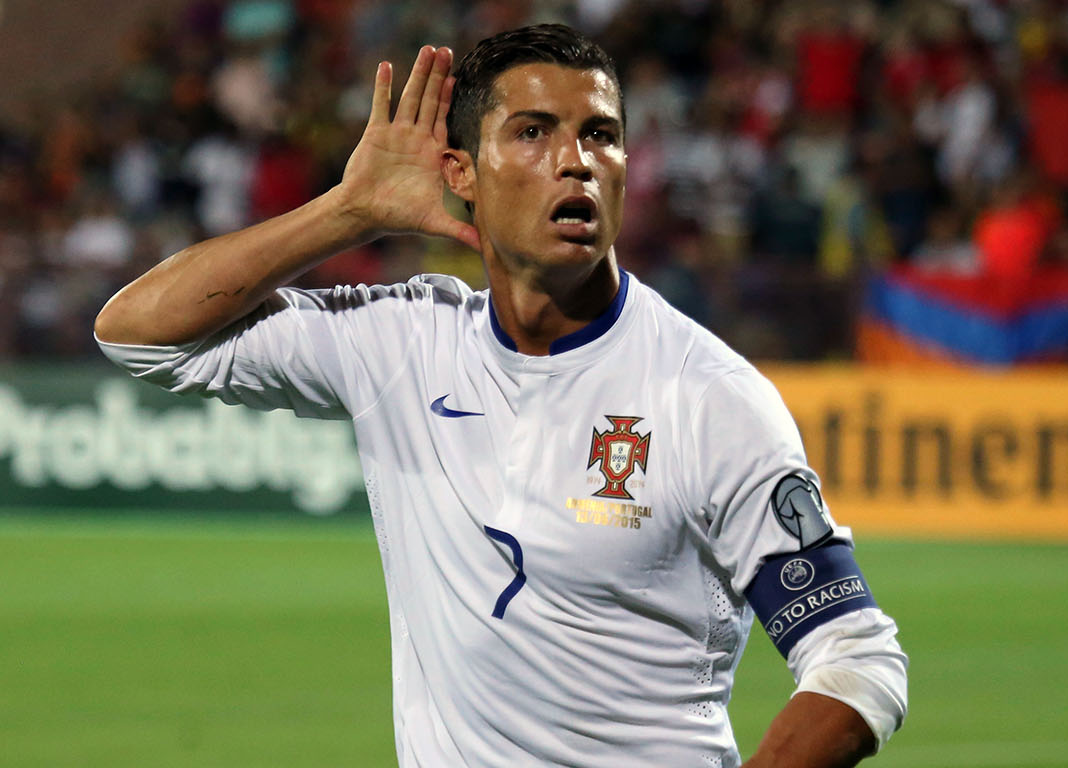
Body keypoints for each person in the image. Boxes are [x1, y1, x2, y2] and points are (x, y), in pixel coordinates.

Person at [93, 24, 907, 768]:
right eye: (532, 132)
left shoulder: (707, 398)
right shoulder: (404, 344)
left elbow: (856, 658)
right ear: (462, 175)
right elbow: (138, 331)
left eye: (601, 134)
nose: (576, 160)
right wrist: (345, 214)